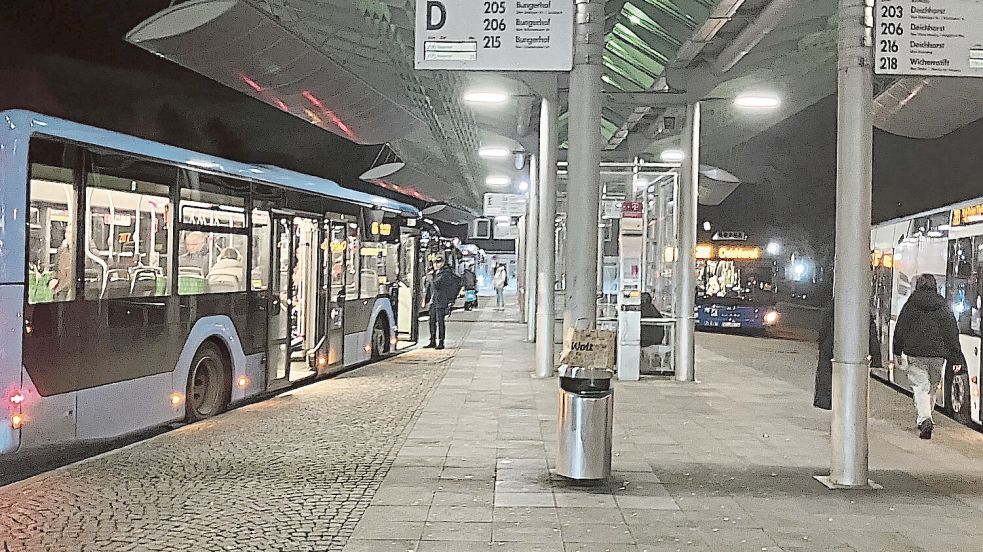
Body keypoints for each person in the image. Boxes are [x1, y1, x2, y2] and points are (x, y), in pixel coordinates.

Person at [892, 273, 965, 439]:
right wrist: (956, 357)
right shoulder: (943, 305)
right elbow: (951, 333)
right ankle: (927, 417)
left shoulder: (910, 304)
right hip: (938, 356)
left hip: (915, 354)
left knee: (920, 387)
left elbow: (900, 329)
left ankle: (925, 419)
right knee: (932, 386)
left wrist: (897, 351)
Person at [814, 303, 882, 411]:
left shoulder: (833, 308)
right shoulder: (861, 311)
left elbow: (824, 329)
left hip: (830, 345)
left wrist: (822, 345)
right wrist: (876, 358)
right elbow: (872, 336)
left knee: (826, 373)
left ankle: (825, 401)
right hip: (853, 348)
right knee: (849, 376)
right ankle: (847, 402)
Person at [427, 257, 460, 349]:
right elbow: (430, 288)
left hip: (441, 301)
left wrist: (451, 300)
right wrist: (426, 299)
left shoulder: (446, 274)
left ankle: (441, 342)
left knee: (440, 322)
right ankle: (432, 340)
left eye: (438, 262)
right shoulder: (435, 274)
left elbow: (437, 285)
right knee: (431, 321)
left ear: (442, 263)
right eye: (434, 262)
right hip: (433, 301)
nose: (436, 264)